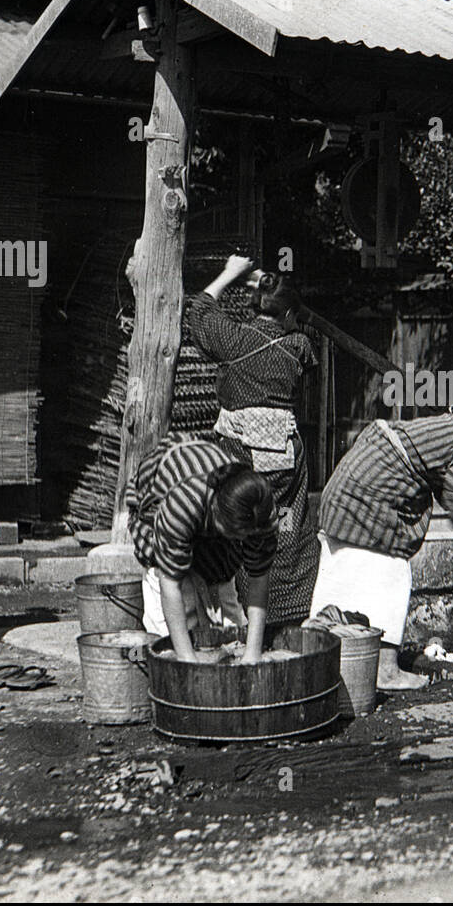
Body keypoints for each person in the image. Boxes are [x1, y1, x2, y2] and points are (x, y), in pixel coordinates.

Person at [311, 382, 453, 688]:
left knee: (340, 576)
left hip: (348, 487)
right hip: (370, 494)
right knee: (394, 569)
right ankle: (386, 670)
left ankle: (316, 658)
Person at [185, 253, 317, 630]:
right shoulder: (298, 347)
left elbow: (199, 309)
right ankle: (287, 619)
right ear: (289, 316)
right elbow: (304, 328)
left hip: (236, 455)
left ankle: (236, 620)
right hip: (284, 459)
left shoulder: (234, 339)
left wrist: (231, 274)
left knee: (239, 526)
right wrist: (270, 284)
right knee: (286, 528)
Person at [126, 432, 280, 664]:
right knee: (168, 639)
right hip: (158, 507)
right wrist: (187, 660)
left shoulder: (261, 510)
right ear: (216, 514)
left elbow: (259, 579)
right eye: (236, 533)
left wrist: (252, 653)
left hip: (216, 522)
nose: (245, 538)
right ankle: (141, 662)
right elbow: (170, 586)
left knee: (229, 626)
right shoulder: (183, 504)